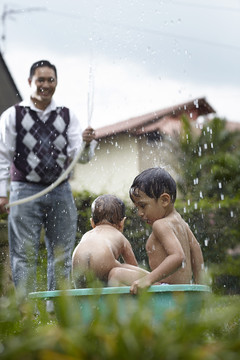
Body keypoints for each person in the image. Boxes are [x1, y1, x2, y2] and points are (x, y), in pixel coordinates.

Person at [0, 60, 96, 298]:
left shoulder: (67, 115)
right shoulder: (13, 115)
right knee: (23, 253)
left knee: (62, 252)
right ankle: (25, 311)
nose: (45, 84)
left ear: (56, 83)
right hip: (24, 189)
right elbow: (2, 156)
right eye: (40, 80)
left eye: (50, 80)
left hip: (60, 190)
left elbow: (81, 158)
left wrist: (87, 143)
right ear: (30, 81)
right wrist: (2, 192)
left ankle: (57, 310)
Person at [108, 167, 204, 294]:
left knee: (116, 273)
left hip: (167, 291)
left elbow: (178, 256)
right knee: (124, 267)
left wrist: (148, 280)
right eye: (137, 207)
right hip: (180, 290)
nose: (140, 213)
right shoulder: (180, 222)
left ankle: (120, 311)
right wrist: (199, 286)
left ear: (164, 200)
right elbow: (196, 250)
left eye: (142, 206)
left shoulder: (160, 225)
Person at [72, 194, 144, 287]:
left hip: (78, 261)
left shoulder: (87, 235)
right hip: (102, 258)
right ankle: (159, 282)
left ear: (92, 223)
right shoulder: (119, 236)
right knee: (125, 269)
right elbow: (133, 266)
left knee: (83, 290)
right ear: (122, 222)